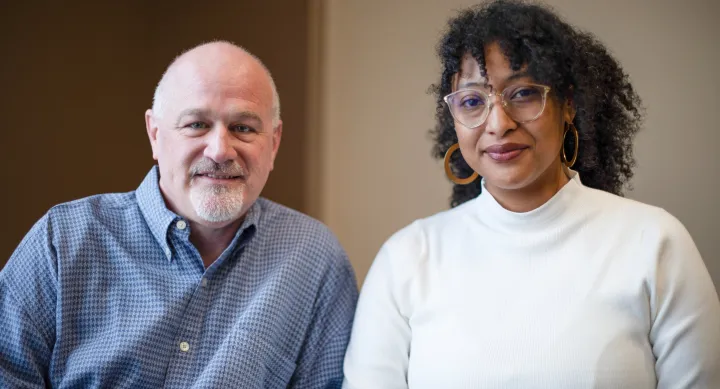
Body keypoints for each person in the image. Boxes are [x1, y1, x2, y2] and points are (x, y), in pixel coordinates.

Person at [342, 1, 720, 388]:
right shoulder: (406, 260)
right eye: (473, 101)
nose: (499, 123)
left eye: (522, 94)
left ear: (568, 104)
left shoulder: (654, 244)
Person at [0, 41, 358, 388]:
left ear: (274, 143)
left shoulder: (314, 260)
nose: (219, 150)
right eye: (196, 125)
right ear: (155, 134)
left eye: (243, 128)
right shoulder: (62, 241)